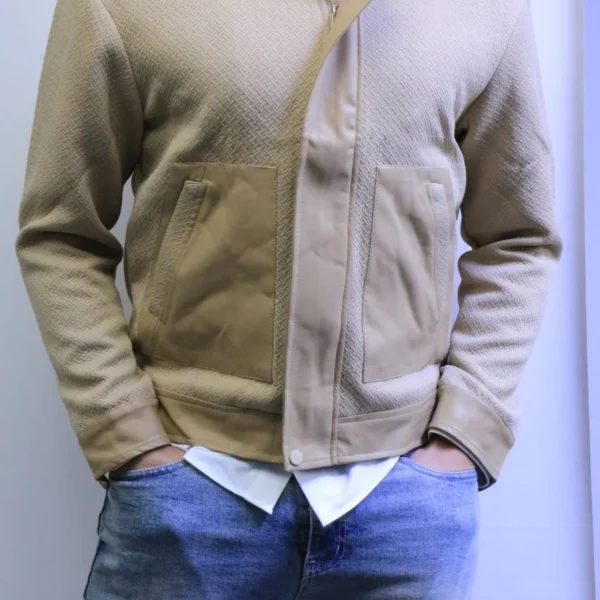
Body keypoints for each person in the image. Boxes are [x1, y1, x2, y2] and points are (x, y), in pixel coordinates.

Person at [15, 0, 562, 598]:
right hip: (190, 490)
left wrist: (466, 433)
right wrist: (125, 434)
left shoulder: (488, 10)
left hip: (404, 505)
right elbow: (61, 232)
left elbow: (518, 236)